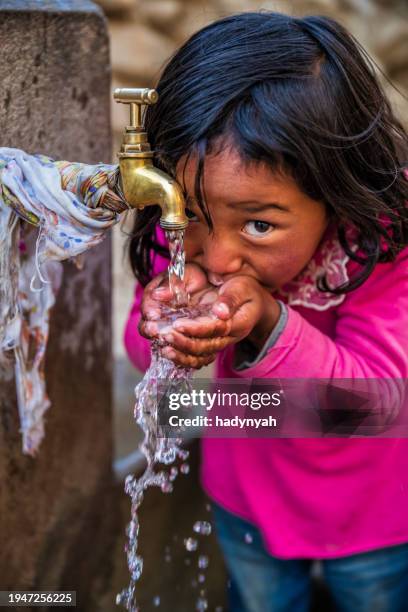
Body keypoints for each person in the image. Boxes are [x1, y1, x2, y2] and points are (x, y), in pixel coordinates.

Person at [123, 11, 408, 612]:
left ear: (333, 192)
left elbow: (374, 410)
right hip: (246, 501)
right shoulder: (177, 230)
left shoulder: (384, 246)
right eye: (194, 215)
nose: (220, 256)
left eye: (259, 224)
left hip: (374, 516)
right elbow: (141, 359)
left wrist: (268, 323)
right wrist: (168, 327)